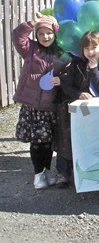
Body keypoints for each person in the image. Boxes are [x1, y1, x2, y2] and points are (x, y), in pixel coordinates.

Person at [13, 13, 65, 189]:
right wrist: (31, 23)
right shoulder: (30, 49)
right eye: (41, 33)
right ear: (36, 35)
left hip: (50, 106)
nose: (45, 37)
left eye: (49, 33)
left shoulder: (61, 53)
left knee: (49, 141)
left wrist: (61, 80)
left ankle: (46, 170)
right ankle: (38, 174)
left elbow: (68, 72)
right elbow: (17, 35)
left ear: (55, 33)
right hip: (33, 106)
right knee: (38, 141)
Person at [56, 31, 99, 188]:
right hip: (74, 107)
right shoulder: (76, 65)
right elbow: (66, 85)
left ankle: (90, 170)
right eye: (87, 48)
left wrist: (94, 70)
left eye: (94, 47)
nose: (91, 52)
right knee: (66, 138)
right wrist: (79, 93)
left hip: (96, 111)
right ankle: (63, 173)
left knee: (91, 139)